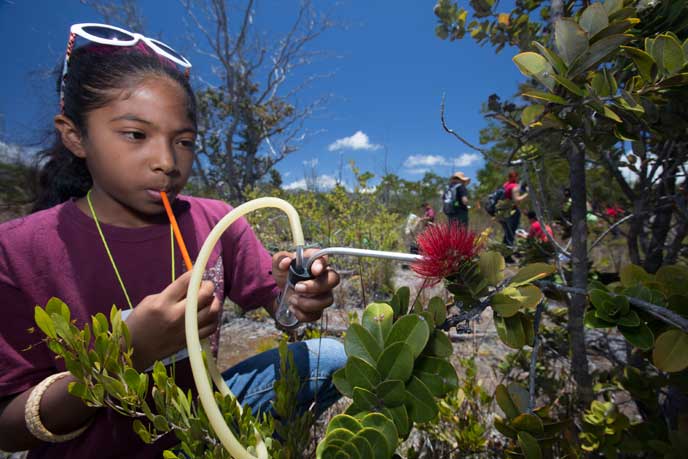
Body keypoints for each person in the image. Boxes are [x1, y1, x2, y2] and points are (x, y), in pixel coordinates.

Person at [0, 24, 344, 458]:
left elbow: (283, 315)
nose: (166, 162)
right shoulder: (17, 250)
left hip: (197, 428)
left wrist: (295, 296)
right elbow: (8, 431)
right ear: (75, 135)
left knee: (329, 357)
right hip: (91, 448)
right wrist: (129, 351)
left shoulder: (215, 220)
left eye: (183, 141)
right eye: (135, 135)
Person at [500, 170, 528, 249]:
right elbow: (517, 200)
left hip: (503, 212)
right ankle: (507, 254)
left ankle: (504, 252)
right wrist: (527, 194)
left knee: (507, 233)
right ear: (515, 177)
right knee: (511, 233)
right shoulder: (514, 186)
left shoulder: (505, 185)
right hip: (512, 211)